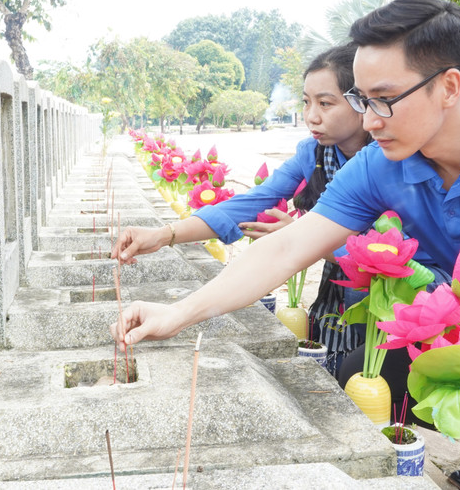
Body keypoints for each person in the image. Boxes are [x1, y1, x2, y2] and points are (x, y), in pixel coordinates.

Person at [112, 0, 460, 490]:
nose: (369, 121)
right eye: (361, 100)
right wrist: (179, 313)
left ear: (448, 85)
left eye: (385, 100)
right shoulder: (381, 163)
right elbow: (285, 248)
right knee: (359, 374)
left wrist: (436, 322)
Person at [111, 43, 373, 374]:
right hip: (336, 298)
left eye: (325, 103)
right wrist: (164, 235)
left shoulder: (388, 161)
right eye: (307, 102)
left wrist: (307, 240)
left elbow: (396, 253)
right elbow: (249, 203)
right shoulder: (315, 153)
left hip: (384, 304)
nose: (312, 116)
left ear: (360, 101)